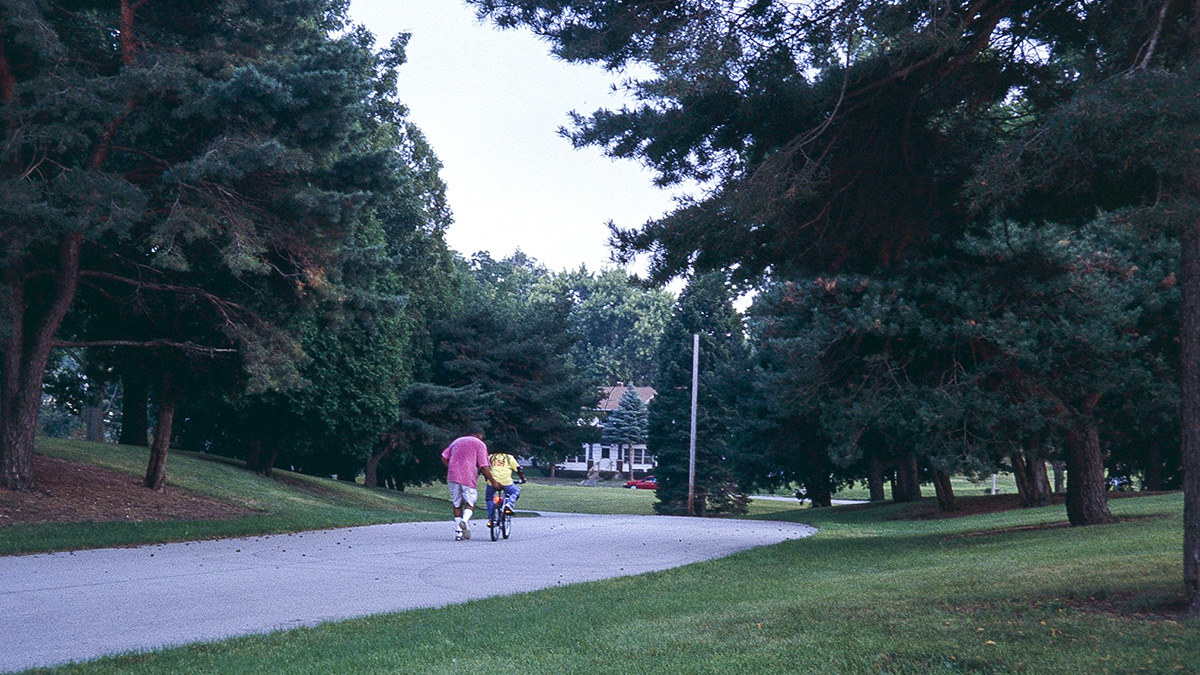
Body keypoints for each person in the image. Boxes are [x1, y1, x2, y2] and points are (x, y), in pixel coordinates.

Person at [441, 425, 500, 541]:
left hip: (453, 476)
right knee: (470, 503)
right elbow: (484, 466)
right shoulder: (479, 444)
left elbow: (444, 457)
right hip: (468, 476)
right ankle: (464, 521)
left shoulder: (457, 441)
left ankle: (458, 533)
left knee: (457, 504)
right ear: (479, 435)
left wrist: (451, 467)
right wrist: (493, 481)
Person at [486, 447, 525, 526]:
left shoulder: (490, 457)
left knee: (489, 498)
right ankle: (509, 504)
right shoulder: (509, 458)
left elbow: (485, 468)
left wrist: (486, 478)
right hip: (506, 482)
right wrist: (522, 479)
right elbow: (519, 469)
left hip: (492, 482)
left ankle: (491, 518)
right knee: (515, 491)